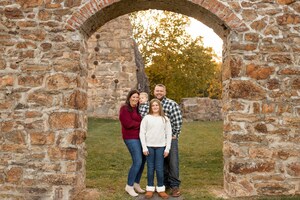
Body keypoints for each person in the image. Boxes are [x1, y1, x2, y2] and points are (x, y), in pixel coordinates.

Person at [153, 84, 183, 197]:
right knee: (161, 163)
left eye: (161, 91)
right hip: (157, 139)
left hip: (170, 138)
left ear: (164, 92)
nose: (159, 92)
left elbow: (178, 121)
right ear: (154, 91)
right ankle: (164, 184)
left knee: (173, 162)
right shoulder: (152, 104)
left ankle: (175, 186)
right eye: (157, 91)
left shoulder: (171, 104)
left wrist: (174, 135)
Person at [139, 98, 172, 199]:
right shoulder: (146, 118)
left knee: (159, 168)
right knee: (150, 168)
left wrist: (167, 149)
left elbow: (169, 134)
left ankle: (161, 189)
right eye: (153, 105)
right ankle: (150, 188)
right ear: (150, 107)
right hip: (149, 147)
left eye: (157, 105)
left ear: (160, 107)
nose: (155, 107)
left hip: (161, 147)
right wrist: (144, 147)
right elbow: (142, 133)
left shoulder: (165, 119)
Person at [119, 89, 146, 197]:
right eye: (133, 97)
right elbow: (127, 123)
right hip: (130, 138)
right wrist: (140, 124)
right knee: (138, 161)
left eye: (137, 97)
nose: (135, 99)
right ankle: (129, 186)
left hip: (140, 137)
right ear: (129, 97)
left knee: (143, 160)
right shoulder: (124, 108)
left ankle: (136, 183)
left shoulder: (138, 109)